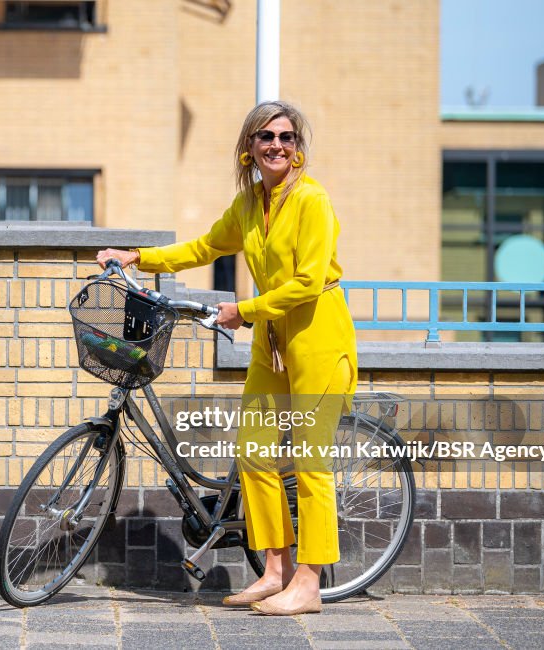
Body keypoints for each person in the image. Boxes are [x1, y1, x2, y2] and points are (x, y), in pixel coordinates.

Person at [96, 100, 357, 616]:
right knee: (255, 453)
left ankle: (308, 584)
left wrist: (246, 309)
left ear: (298, 149)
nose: (277, 145)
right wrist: (137, 257)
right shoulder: (249, 207)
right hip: (273, 345)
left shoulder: (312, 201)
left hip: (317, 340)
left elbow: (307, 282)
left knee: (309, 462)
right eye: (266, 137)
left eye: (287, 137)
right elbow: (205, 246)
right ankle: (276, 570)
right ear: (249, 149)